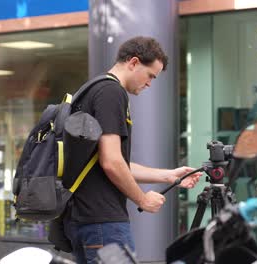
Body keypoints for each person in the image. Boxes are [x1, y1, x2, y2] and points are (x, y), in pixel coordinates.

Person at [63, 36, 202, 264]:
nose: (149, 84)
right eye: (150, 76)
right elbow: (111, 161)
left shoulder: (91, 90)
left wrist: (168, 175)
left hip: (84, 219)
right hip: (103, 222)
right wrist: (142, 199)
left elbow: (111, 161)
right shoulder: (111, 92)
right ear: (134, 62)